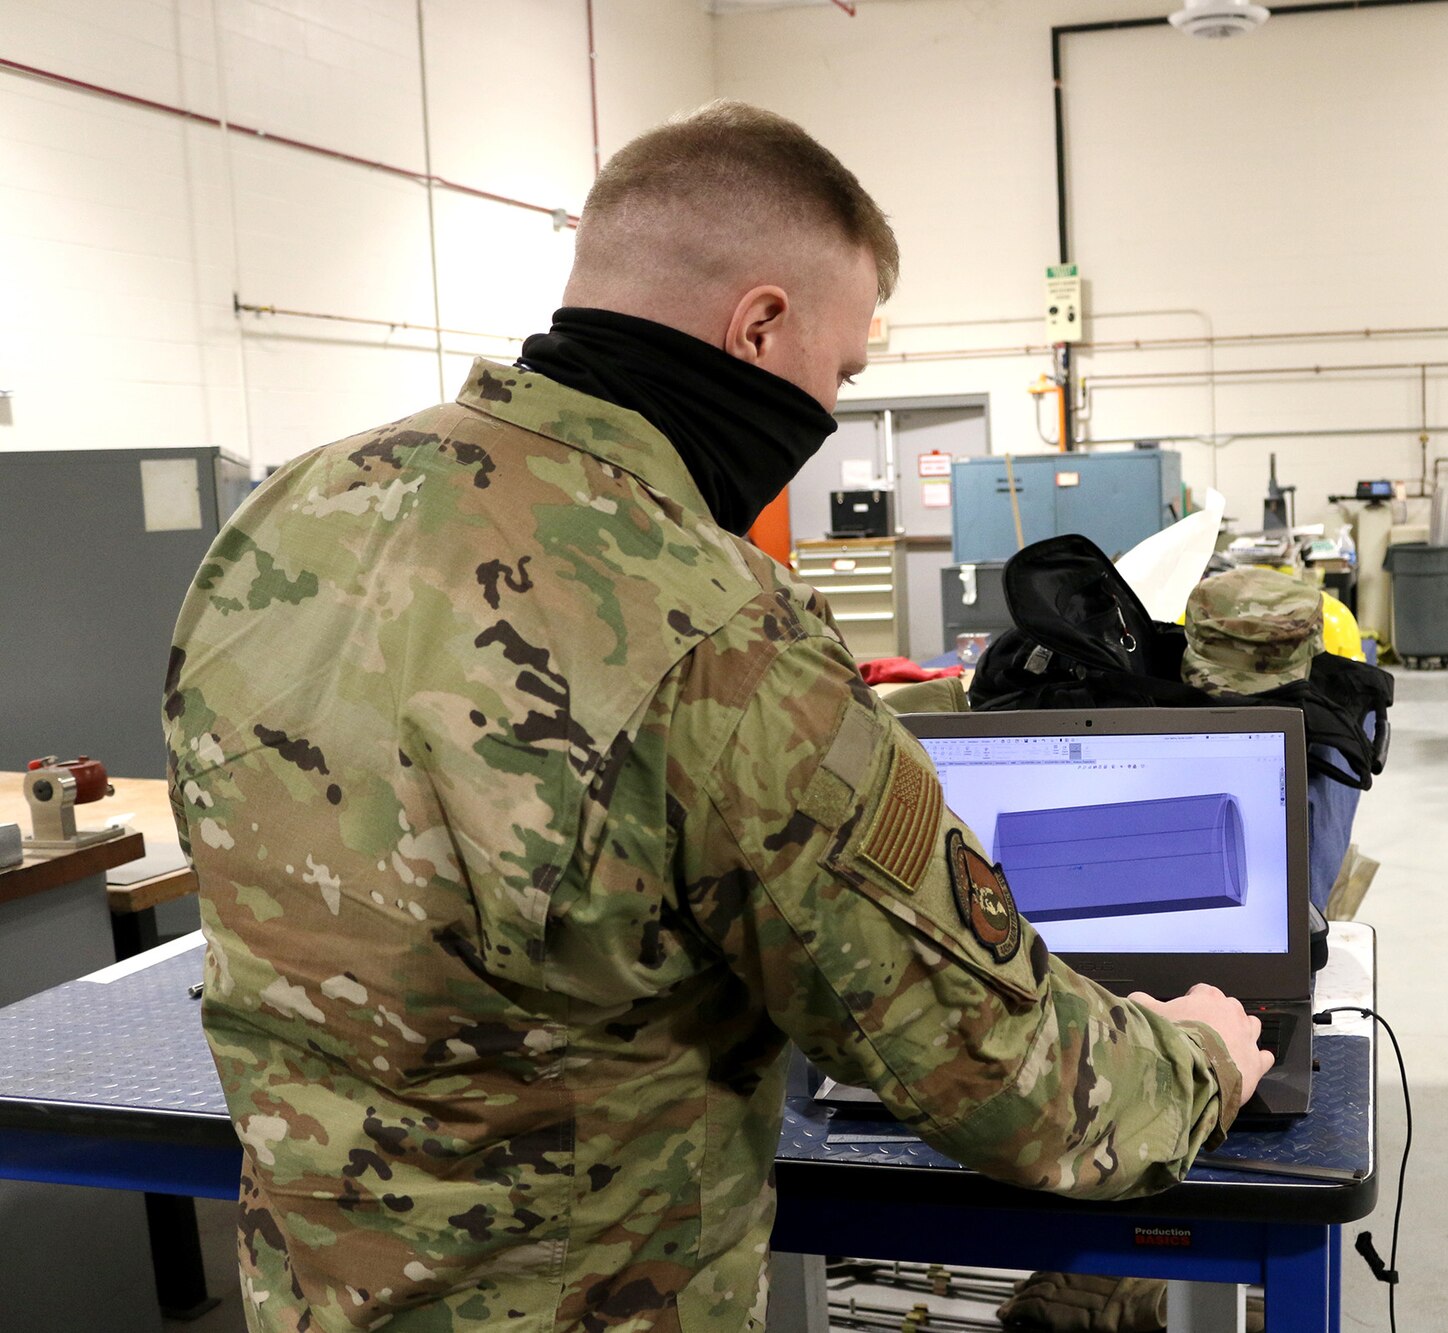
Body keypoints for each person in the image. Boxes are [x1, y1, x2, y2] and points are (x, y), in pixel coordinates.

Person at [163, 101, 1272, 1332]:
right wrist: (1197, 1057)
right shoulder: (714, 630)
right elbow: (1007, 1078)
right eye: (839, 371)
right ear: (758, 326)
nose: (829, 409)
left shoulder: (288, 515)